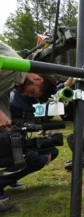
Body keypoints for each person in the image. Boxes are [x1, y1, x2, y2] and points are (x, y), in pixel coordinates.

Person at [0, 41, 58, 207]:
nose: (24, 93)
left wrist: (10, 131)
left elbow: (5, 121)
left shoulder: (10, 83)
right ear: (37, 78)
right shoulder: (11, 66)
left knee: (13, 143)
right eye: (31, 92)